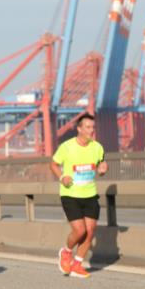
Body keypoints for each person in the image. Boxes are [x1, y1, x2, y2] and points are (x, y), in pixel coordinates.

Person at [50, 113, 108, 278]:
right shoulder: (67, 147)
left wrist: (103, 169)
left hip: (90, 194)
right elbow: (53, 164)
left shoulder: (98, 147)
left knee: (90, 231)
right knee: (80, 230)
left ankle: (77, 264)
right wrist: (62, 177)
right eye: (88, 127)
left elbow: (101, 164)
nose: (92, 131)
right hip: (71, 194)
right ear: (79, 129)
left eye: (93, 128)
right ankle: (66, 252)